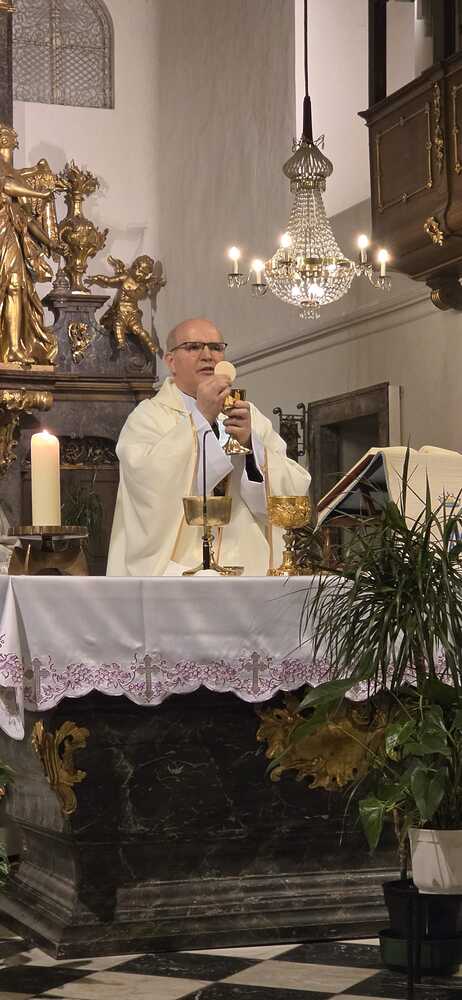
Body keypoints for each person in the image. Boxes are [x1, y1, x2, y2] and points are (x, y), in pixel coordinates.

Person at [107, 318, 311, 576]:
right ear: (171, 361)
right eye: (193, 347)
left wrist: (252, 447)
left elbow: (293, 491)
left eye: (216, 347)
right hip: (178, 569)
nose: (207, 356)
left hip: (249, 567)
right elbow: (147, 485)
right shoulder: (148, 417)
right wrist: (200, 417)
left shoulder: (249, 416)